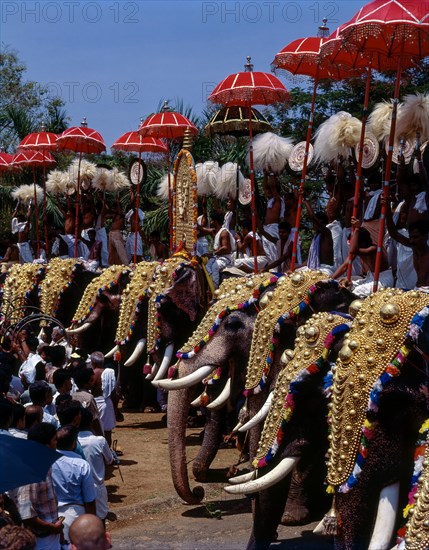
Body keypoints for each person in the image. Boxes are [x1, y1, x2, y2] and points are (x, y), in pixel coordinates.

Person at [13, 422, 64, 549]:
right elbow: (26, 514)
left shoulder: (41, 465)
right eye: (54, 439)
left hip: (49, 536)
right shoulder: (33, 470)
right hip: (41, 540)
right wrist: (52, 528)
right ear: (46, 445)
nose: (57, 442)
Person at [51, 425, 96, 544]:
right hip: (75, 515)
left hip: (51, 516)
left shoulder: (46, 461)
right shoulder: (81, 465)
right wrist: (93, 524)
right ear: (74, 443)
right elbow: (90, 500)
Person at [332, 217, 393, 296]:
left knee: (356, 292)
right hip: (371, 277)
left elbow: (353, 250)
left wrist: (357, 229)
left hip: (383, 279)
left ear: (362, 242)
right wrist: (330, 279)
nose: (351, 245)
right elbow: (345, 266)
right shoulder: (359, 250)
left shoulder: (374, 249)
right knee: (344, 285)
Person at [384, 196, 429, 288]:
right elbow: (394, 234)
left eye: (416, 237)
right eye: (411, 237)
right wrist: (387, 209)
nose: (412, 240)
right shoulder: (415, 247)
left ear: (425, 237)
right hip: (417, 290)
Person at [78, 408, 114, 522]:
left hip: (78, 488)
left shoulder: (71, 440)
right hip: (96, 487)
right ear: (90, 423)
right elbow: (109, 460)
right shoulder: (99, 441)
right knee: (100, 520)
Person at [90, 352, 116, 446]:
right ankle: (108, 454)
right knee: (107, 431)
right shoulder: (109, 373)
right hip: (106, 402)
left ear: (93, 362)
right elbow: (113, 392)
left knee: (95, 430)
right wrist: (116, 409)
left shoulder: (91, 374)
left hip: (93, 402)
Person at [205, 212, 236, 288]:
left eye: (212, 220)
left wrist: (213, 253)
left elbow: (226, 248)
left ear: (215, 221)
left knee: (214, 267)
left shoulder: (224, 232)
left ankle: (214, 288)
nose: (211, 222)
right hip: (218, 257)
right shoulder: (217, 232)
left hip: (225, 259)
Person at [303, 200, 334, 275]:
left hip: (325, 270)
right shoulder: (316, 237)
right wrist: (295, 267)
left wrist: (305, 200)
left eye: (321, 223)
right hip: (313, 268)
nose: (318, 225)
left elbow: (312, 216)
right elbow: (309, 261)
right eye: (316, 223)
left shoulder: (327, 233)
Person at [260, 172, 284, 264]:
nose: (267, 192)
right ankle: (271, 268)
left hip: (273, 228)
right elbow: (265, 187)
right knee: (268, 252)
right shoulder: (270, 200)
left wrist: (270, 173)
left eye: (270, 191)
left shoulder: (278, 199)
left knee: (273, 250)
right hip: (266, 228)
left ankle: (276, 269)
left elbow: (272, 186)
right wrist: (265, 173)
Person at [72, 367, 104, 437]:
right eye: (92, 380)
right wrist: (101, 436)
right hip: (88, 432)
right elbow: (95, 420)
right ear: (88, 382)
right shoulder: (89, 397)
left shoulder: (73, 396)